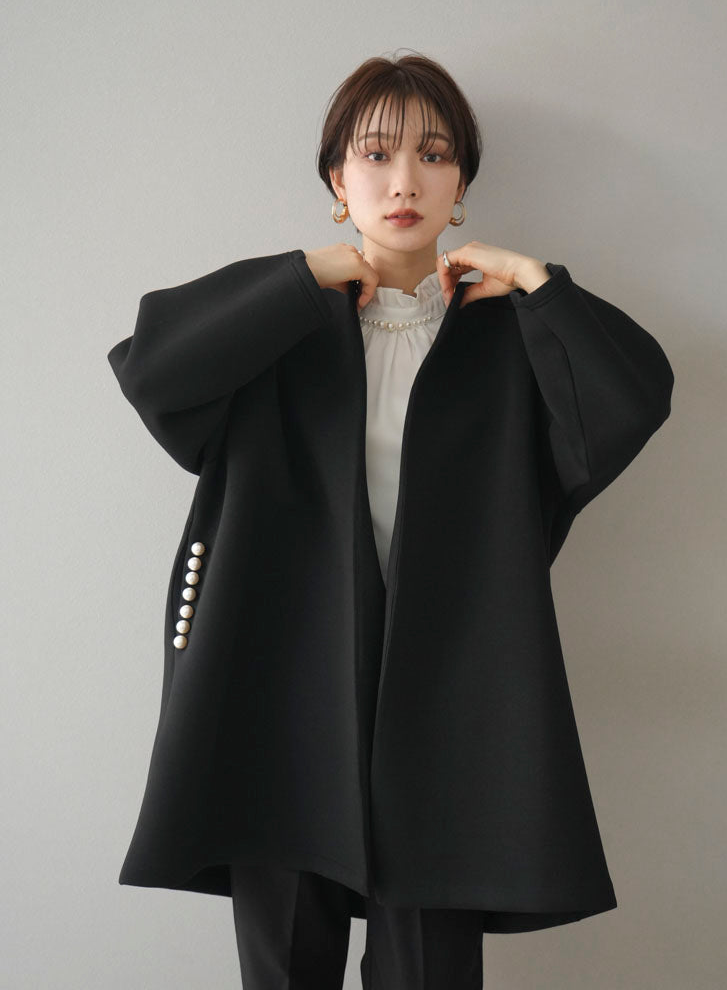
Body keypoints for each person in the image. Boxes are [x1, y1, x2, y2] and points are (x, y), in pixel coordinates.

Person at [108, 51, 674, 990]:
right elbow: (152, 371)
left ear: (461, 186)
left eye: (433, 155)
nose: (403, 181)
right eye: (375, 155)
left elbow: (630, 400)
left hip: (451, 692)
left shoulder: (502, 334)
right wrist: (301, 278)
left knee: (427, 971)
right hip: (280, 679)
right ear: (337, 181)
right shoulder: (282, 323)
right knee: (284, 963)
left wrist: (537, 282)